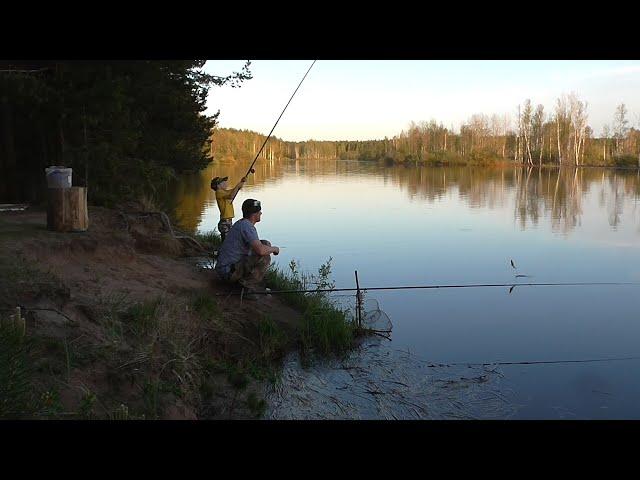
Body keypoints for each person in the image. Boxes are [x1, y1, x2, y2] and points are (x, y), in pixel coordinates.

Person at [214, 198, 280, 292]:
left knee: (265, 244)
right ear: (254, 214)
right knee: (265, 257)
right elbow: (261, 251)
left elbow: (260, 246)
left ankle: (247, 280)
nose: (261, 213)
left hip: (225, 268)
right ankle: (245, 286)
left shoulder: (242, 223)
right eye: (259, 211)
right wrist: (275, 249)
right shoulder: (247, 227)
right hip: (228, 272)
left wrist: (269, 247)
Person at [210, 175, 246, 242]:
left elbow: (235, 190)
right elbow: (231, 196)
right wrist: (238, 186)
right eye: (223, 182)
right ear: (218, 185)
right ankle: (222, 252)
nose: (225, 183)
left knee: (229, 241)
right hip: (224, 222)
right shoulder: (219, 192)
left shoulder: (224, 192)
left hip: (228, 221)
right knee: (226, 242)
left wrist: (241, 182)